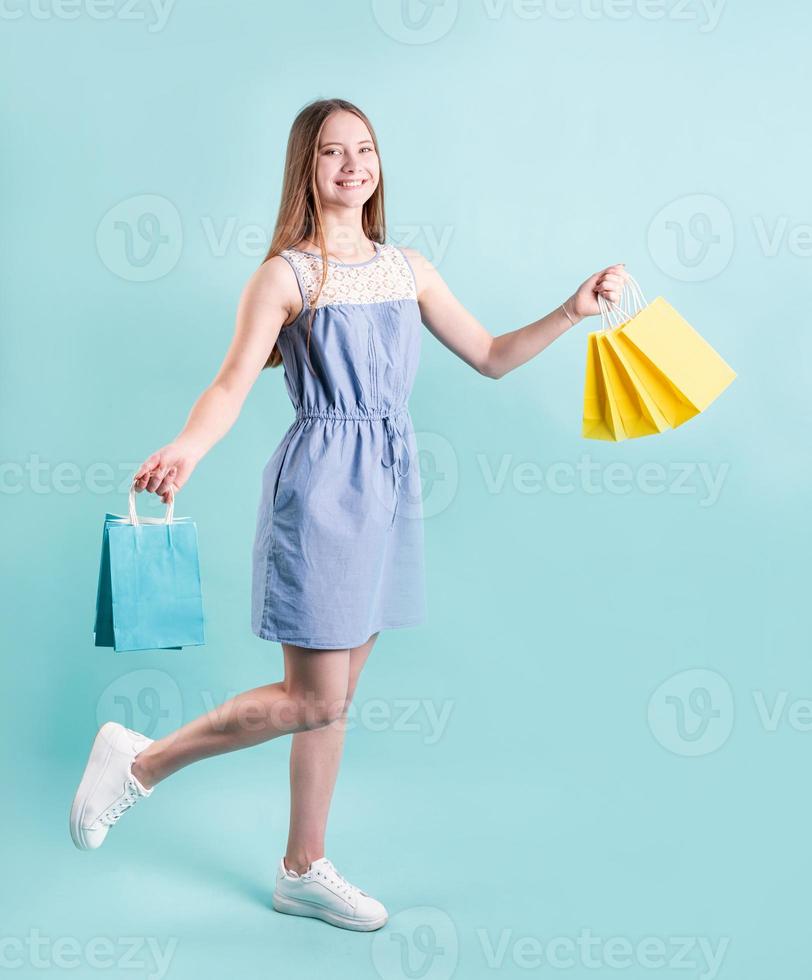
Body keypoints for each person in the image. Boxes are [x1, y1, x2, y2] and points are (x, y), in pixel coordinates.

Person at [69, 97, 628, 932]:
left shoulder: (410, 269)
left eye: (364, 149)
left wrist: (571, 310)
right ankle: (139, 764)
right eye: (333, 152)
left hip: (389, 488)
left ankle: (302, 867)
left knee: (332, 700)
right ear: (308, 168)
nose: (352, 165)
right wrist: (187, 446)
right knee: (311, 699)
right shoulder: (286, 276)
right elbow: (229, 383)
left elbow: (491, 356)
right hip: (324, 491)